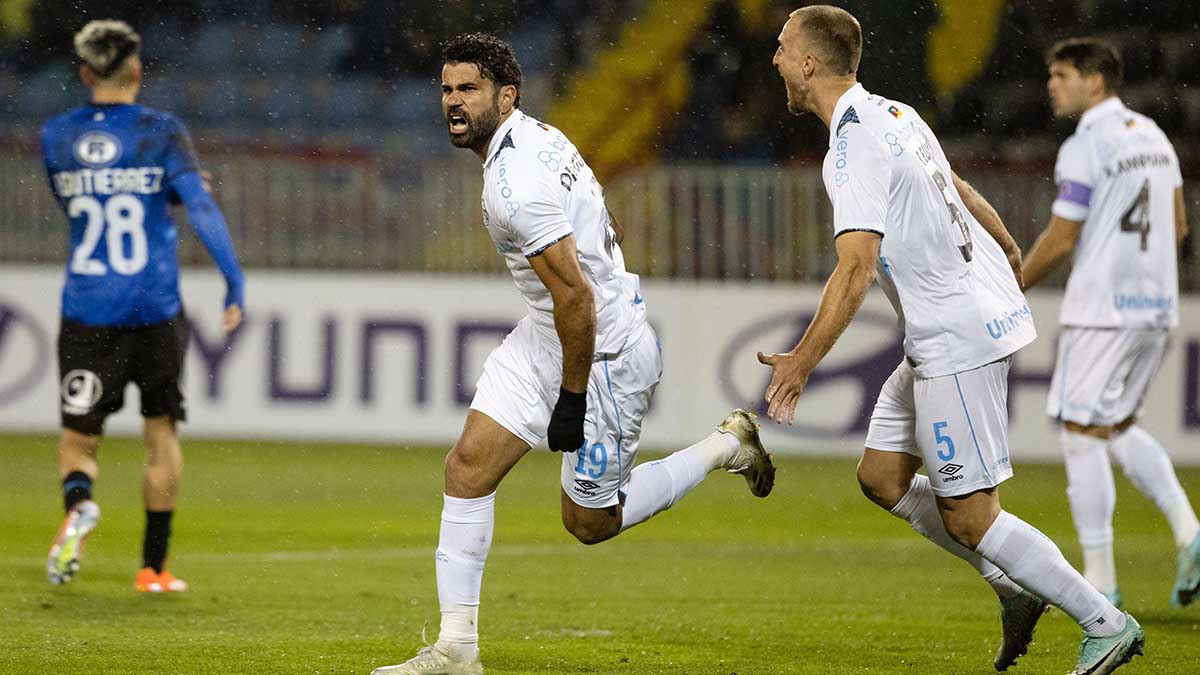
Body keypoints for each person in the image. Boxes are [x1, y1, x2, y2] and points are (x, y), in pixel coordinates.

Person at [370, 32, 775, 675]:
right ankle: (456, 652)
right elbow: (565, 298)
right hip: (547, 334)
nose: (452, 101)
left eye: (468, 89)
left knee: (589, 523)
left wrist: (572, 399)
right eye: (446, 89)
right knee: (467, 469)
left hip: (604, 354)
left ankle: (727, 446)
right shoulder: (531, 139)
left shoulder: (515, 185)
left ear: (506, 96)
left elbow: (579, 301)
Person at [757, 6, 1142, 674]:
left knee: (971, 515)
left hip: (954, 335)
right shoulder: (894, 113)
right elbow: (957, 187)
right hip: (958, 319)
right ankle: (1012, 586)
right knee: (882, 476)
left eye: (784, 47)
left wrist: (801, 360)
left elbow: (857, 267)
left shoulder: (851, 145)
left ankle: (1104, 622)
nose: (775, 58)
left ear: (811, 63)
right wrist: (1007, 241)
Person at [42, 19, 245, 593]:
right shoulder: (162, 131)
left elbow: (72, 202)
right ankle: (153, 568)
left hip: (87, 309)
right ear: (137, 69)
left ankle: (79, 503)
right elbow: (202, 209)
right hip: (154, 308)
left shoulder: (56, 135)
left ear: (84, 73)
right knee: (161, 435)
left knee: (79, 442)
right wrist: (233, 281)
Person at [1021, 37, 1200, 609]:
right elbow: (1175, 228)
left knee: (1080, 435)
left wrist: (1012, 284)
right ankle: (1190, 533)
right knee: (1115, 424)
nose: (1052, 84)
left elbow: (1061, 237)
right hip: (1155, 307)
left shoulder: (1084, 144)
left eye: (1061, 74)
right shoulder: (1153, 136)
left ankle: (1100, 581)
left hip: (1101, 313)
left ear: (1094, 82)